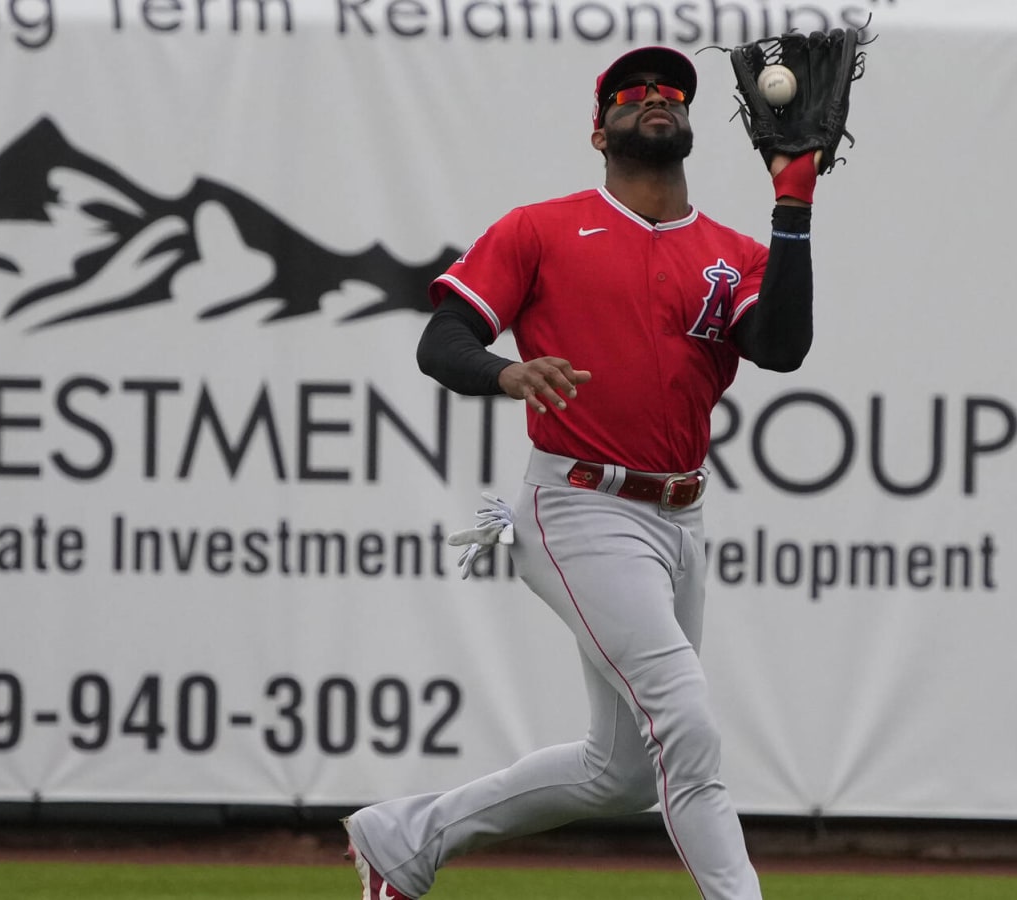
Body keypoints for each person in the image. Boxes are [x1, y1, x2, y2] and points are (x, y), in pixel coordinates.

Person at [341, 44, 819, 900]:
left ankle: (405, 839)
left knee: (623, 772)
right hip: (577, 505)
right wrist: (505, 372)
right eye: (631, 94)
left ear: (690, 123)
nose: (654, 97)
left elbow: (781, 347)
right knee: (686, 721)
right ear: (598, 130)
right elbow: (441, 341)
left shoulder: (732, 250)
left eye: (670, 91)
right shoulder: (542, 228)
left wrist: (793, 201)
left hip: (680, 518)